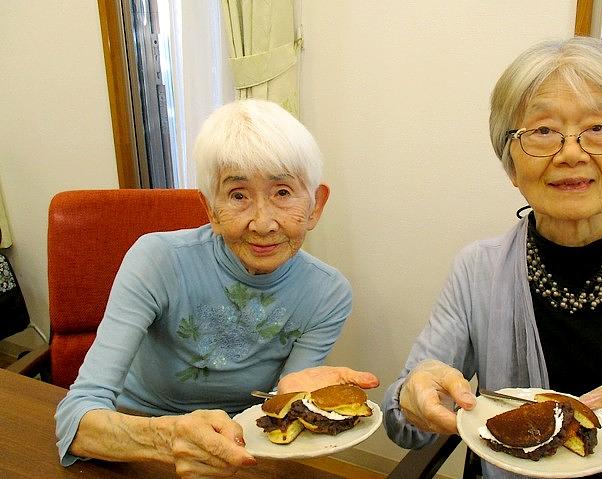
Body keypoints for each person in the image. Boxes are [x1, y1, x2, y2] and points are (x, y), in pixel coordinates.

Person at [383, 36, 602, 479]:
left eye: (599, 129)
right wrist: (410, 400)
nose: (571, 153)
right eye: (543, 131)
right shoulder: (478, 270)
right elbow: (406, 428)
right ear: (511, 165)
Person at [55, 99, 379, 478]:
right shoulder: (157, 259)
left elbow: (277, 416)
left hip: (239, 445)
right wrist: (167, 438)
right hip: (136, 438)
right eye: (238, 195)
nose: (263, 223)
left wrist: (294, 401)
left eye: (283, 192)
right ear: (210, 208)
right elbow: (76, 419)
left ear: (315, 206)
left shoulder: (328, 293)